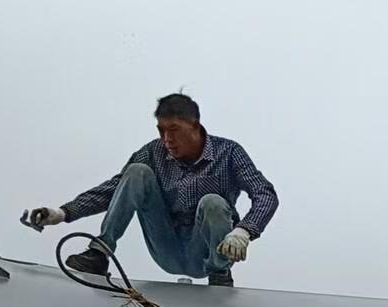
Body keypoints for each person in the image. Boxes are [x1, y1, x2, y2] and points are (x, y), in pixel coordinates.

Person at [23, 93, 278, 288]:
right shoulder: (153, 152)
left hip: (206, 251)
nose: (167, 139)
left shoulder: (228, 152)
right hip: (166, 245)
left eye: (174, 130)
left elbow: (264, 193)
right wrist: (63, 213)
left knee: (213, 201)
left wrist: (244, 231)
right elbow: (115, 189)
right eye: (162, 131)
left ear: (195, 126)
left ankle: (220, 273)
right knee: (136, 172)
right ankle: (99, 254)